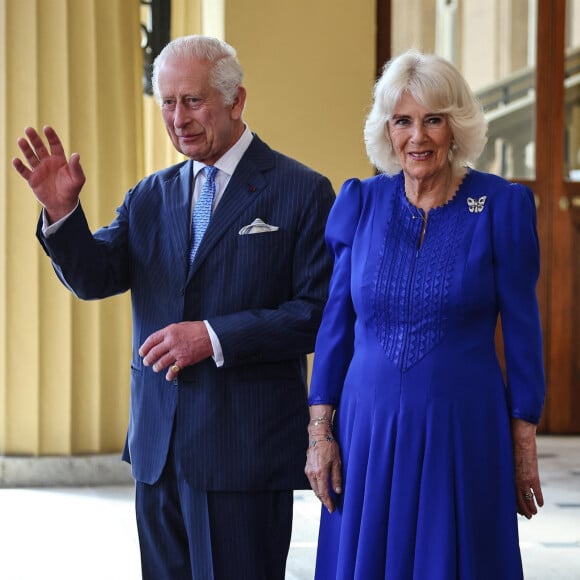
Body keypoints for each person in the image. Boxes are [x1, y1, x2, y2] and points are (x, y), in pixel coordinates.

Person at [13, 35, 335, 580]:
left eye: (192, 101)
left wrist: (212, 337)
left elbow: (316, 313)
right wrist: (63, 216)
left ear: (236, 101)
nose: (177, 118)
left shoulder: (302, 191)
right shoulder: (149, 194)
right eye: (167, 102)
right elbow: (94, 278)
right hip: (157, 454)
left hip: (243, 454)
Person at [304, 49, 545, 579]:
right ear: (387, 131)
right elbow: (336, 326)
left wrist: (523, 443)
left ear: (455, 126)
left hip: (462, 431)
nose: (418, 136)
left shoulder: (501, 205)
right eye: (403, 121)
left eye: (433, 120)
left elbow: (524, 331)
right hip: (366, 433)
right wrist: (320, 433)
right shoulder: (360, 203)